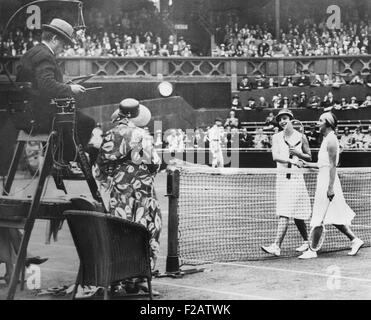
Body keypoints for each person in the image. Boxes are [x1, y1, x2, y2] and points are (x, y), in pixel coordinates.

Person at [1, 18, 95, 284]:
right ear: (55, 39)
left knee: (76, 118)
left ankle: (61, 159)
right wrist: (71, 88)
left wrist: (67, 85)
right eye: (64, 44)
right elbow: (46, 85)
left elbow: (40, 84)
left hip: (27, 113)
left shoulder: (34, 51)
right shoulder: (45, 55)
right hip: (38, 116)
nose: (64, 49)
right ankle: (64, 160)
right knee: (86, 122)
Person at [93, 98, 162, 283]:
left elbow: (99, 168)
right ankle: (141, 275)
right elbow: (155, 163)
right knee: (146, 227)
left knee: (121, 230)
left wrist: (108, 179)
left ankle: (122, 275)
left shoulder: (109, 135)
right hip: (143, 191)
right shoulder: (143, 135)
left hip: (120, 190)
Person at [298, 112, 364, 259]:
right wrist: (306, 163)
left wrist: (330, 187)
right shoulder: (326, 138)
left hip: (328, 181)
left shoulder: (332, 139)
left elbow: (333, 166)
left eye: (321, 120)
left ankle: (312, 250)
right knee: (331, 215)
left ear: (327, 123)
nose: (318, 122)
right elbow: (323, 164)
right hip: (323, 178)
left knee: (319, 215)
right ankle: (355, 240)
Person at [261, 109, 312, 256]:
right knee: (297, 214)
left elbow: (308, 156)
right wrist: (290, 159)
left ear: (292, 120)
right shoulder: (276, 137)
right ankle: (308, 241)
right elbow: (275, 156)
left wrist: (298, 154)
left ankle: (276, 245)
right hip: (282, 178)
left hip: (296, 178)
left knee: (285, 211)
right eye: (281, 119)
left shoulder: (301, 137)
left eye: (285, 118)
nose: (283, 121)